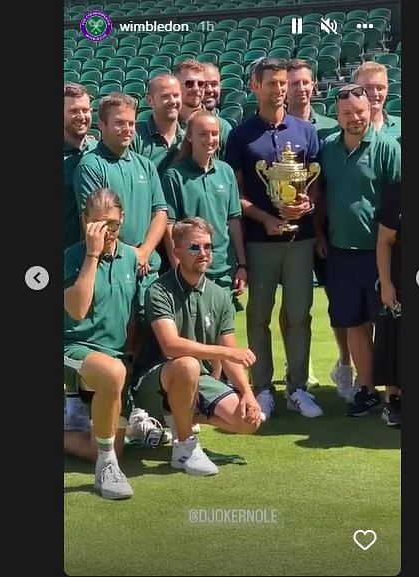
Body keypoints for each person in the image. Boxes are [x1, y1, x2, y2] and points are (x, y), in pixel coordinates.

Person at [224, 57, 323, 420]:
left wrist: (307, 204)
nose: (280, 89)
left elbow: (315, 183)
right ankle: (263, 387)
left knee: (299, 315)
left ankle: (297, 388)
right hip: (259, 238)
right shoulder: (240, 134)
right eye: (272, 83)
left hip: (301, 238)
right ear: (255, 86)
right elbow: (232, 193)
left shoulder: (305, 131)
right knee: (259, 316)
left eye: (284, 83)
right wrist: (264, 216)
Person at [132, 218, 263, 476]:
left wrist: (247, 392)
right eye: (194, 247)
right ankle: (184, 448)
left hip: (198, 381)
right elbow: (171, 346)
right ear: (177, 252)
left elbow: (230, 356)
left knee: (248, 421)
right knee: (187, 364)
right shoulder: (159, 290)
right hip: (154, 383)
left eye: (208, 247)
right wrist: (225, 353)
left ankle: (178, 419)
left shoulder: (220, 295)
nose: (203, 253)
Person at [315, 84, 401, 415]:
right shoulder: (328, 148)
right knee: (354, 322)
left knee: (387, 323)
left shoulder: (387, 148)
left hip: (379, 253)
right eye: (348, 113)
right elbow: (320, 197)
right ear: (337, 115)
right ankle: (366, 388)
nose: (355, 118)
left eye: (360, 112)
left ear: (371, 109)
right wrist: (319, 232)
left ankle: (393, 391)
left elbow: (396, 204)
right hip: (340, 251)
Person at [63, 188, 138, 499]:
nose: (106, 232)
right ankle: (106, 470)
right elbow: (77, 310)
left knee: (107, 445)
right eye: (97, 224)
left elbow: (131, 317)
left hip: (114, 359)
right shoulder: (71, 257)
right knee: (113, 372)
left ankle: (104, 456)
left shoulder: (131, 257)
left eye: (112, 225)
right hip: (73, 351)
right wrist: (92, 255)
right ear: (84, 221)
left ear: (122, 218)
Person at [73, 93, 169, 332]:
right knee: (118, 339)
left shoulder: (145, 165)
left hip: (146, 269)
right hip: (110, 268)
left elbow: (160, 213)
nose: (127, 129)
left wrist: (144, 252)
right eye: (119, 123)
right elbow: (95, 222)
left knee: (152, 340)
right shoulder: (90, 166)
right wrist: (130, 256)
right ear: (102, 125)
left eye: (131, 123)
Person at [284, 58, 353, 393]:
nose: (300, 89)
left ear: (314, 85)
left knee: (338, 300)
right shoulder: (275, 127)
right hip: (288, 233)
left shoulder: (330, 127)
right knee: (294, 303)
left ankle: (344, 364)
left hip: (328, 229)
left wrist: (321, 229)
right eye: (293, 83)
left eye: (305, 82)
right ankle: (299, 364)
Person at [161, 110, 247, 304]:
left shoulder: (225, 172)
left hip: (223, 271)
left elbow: (233, 221)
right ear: (189, 137)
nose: (210, 139)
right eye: (203, 134)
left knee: (223, 332)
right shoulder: (174, 175)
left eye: (214, 133)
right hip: (190, 271)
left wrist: (242, 264)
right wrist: (178, 268)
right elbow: (169, 226)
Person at [375, 182, 402, 427]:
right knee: (395, 338)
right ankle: (393, 401)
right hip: (401, 278)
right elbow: (384, 241)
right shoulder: (396, 193)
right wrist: (386, 283)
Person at [64, 83, 98, 250]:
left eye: (85, 110)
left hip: (97, 255)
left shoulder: (100, 150)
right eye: (74, 111)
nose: (81, 116)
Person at [131, 74, 185, 175]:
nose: (172, 101)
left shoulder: (188, 138)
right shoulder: (135, 136)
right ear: (150, 100)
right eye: (165, 96)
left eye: (176, 95)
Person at [353, 62, 401, 143]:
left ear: (387, 90)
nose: (375, 93)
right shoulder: (344, 131)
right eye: (367, 88)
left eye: (380, 88)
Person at [198, 62, 232, 157]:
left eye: (214, 84)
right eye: (204, 85)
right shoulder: (179, 125)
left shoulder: (224, 128)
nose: (209, 90)